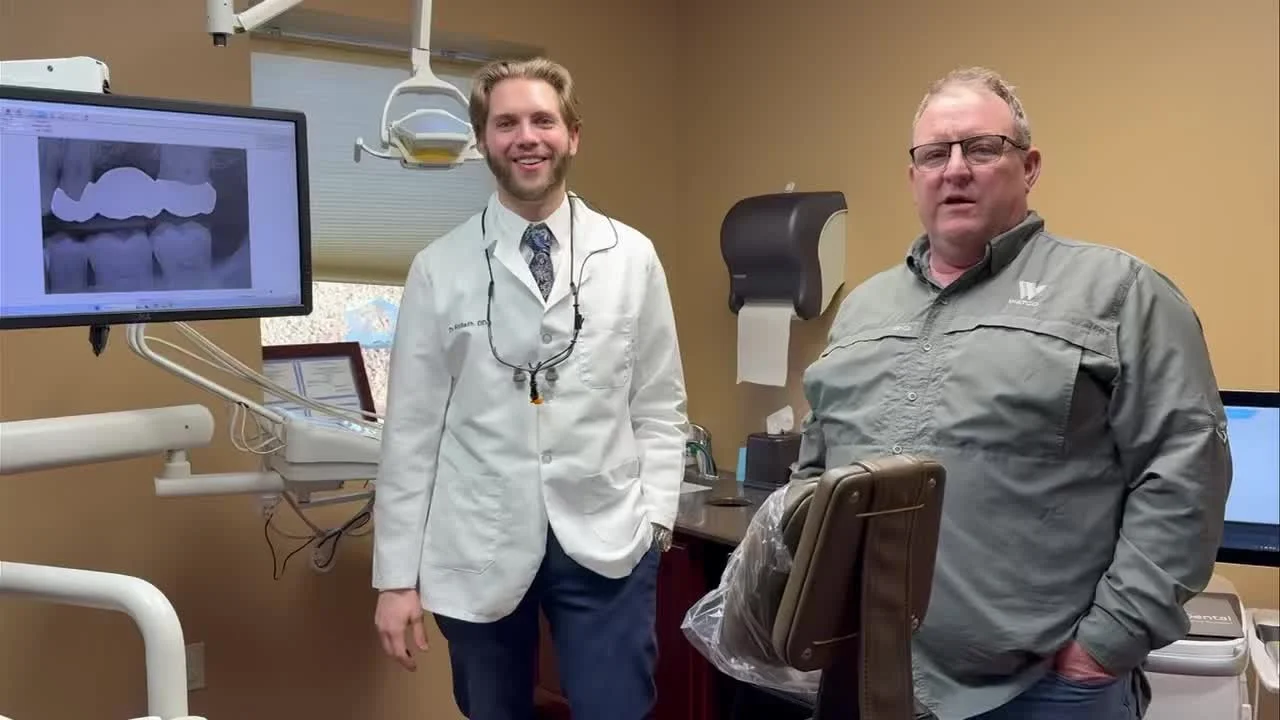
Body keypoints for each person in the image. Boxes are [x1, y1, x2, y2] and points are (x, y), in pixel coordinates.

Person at [792, 66, 1231, 720]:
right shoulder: (862, 310)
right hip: (866, 676)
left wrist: (1106, 643)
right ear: (913, 177)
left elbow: (1185, 470)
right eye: (934, 154)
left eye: (982, 148)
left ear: (1029, 167)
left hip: (1039, 690)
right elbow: (816, 468)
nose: (955, 169)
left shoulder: (1119, 293)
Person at [369, 57, 688, 720]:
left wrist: (656, 520)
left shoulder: (631, 257)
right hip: (478, 538)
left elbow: (659, 406)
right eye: (506, 123)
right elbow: (411, 435)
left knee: (618, 709)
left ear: (573, 135)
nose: (526, 137)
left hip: (606, 538)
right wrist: (395, 581)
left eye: (543, 120)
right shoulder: (439, 268)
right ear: (482, 140)